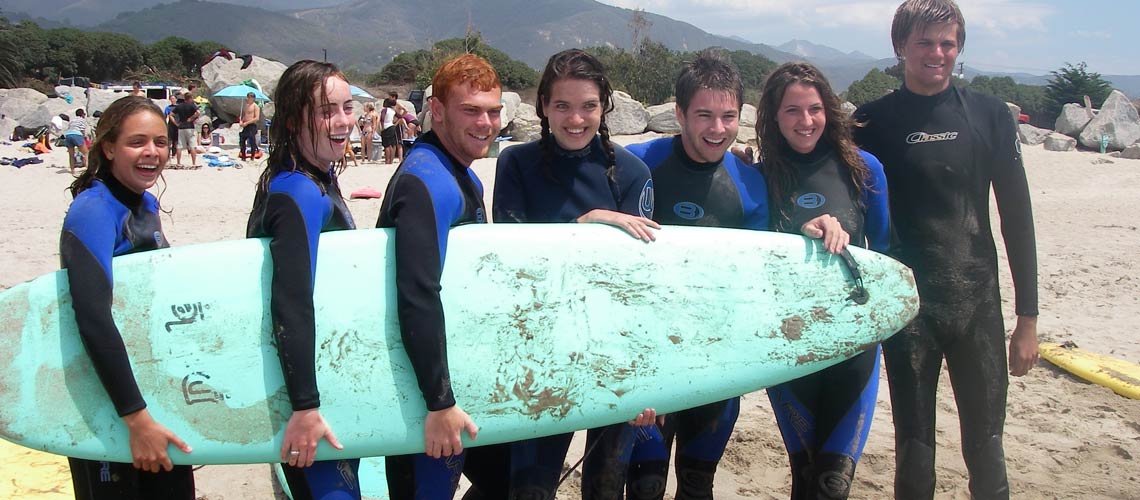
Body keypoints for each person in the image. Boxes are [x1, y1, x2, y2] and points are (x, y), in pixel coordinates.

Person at [852, 1, 1038, 498]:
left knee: (987, 448)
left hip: (977, 304)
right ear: (900, 46)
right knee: (914, 453)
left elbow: (1017, 217)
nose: (937, 53)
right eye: (925, 42)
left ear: (959, 47)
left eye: (947, 43)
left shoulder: (990, 116)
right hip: (910, 309)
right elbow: (826, 184)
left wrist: (1027, 319)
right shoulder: (871, 122)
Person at [493, 48, 660, 500]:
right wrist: (582, 226)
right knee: (529, 490)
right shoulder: (515, 164)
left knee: (605, 489)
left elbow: (641, 287)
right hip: (540, 352)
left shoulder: (632, 173)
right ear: (543, 106)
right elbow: (511, 260)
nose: (575, 119)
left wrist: (646, 378)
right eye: (562, 105)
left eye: (588, 106)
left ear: (604, 106)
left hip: (611, 353)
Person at [624, 49, 770, 500]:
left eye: (729, 116)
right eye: (704, 115)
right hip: (647, 357)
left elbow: (756, 280)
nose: (718, 129)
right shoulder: (636, 165)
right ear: (680, 113)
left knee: (696, 484)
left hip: (716, 360)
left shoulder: (751, 183)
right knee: (645, 487)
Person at [757, 62, 890, 499]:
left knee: (833, 484)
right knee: (806, 475)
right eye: (792, 110)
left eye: (814, 108)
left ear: (828, 110)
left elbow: (884, 255)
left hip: (854, 345)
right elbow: (754, 256)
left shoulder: (864, 169)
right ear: (774, 117)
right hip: (791, 348)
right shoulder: (761, 177)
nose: (806, 120)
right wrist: (801, 235)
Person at [375, 53, 505, 499]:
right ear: (437, 110)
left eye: (493, 111)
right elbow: (417, 293)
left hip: (458, 377)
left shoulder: (458, 173)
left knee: (508, 484)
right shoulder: (427, 181)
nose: (485, 123)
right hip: (426, 394)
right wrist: (439, 401)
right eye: (471, 110)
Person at [60, 95, 195, 499]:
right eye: (137, 142)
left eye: (160, 142)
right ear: (108, 148)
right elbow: (93, 319)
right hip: (109, 403)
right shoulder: (94, 210)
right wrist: (135, 419)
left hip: (151, 394)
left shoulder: (146, 203)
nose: (152, 152)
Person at [245, 59, 358, 499]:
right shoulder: (298, 191)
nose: (343, 121)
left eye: (347, 107)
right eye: (327, 111)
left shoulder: (317, 178)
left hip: (324, 381)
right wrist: (305, 407)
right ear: (293, 120)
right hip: (307, 396)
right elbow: (291, 301)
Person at [172, 91, 200, 167]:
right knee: (192, 145)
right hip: (190, 127)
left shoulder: (179, 106)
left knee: (179, 146)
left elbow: (171, 114)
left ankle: (178, 162)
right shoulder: (192, 105)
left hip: (181, 127)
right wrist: (191, 118)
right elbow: (198, 112)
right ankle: (193, 163)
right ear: (190, 98)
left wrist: (176, 123)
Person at [64, 108, 90, 175]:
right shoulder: (82, 120)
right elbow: (82, 130)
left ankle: (72, 171)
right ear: (82, 114)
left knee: (71, 155)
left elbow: (69, 128)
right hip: (77, 135)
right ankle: (88, 169)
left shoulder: (72, 120)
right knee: (86, 153)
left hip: (68, 135)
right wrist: (85, 138)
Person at [238, 91, 262, 161]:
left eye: (250, 97)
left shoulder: (255, 106)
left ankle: (253, 156)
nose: (248, 98)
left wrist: (247, 123)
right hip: (245, 125)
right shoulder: (246, 106)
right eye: (248, 97)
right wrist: (242, 121)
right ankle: (243, 155)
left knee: (252, 141)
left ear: (253, 98)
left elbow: (256, 118)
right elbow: (245, 116)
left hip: (252, 125)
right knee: (242, 139)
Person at [379, 97, 400, 164]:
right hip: (392, 127)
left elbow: (382, 119)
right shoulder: (393, 110)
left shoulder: (384, 110)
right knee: (391, 145)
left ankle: (387, 160)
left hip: (386, 127)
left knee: (386, 145)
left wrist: (382, 128)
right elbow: (400, 117)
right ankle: (391, 160)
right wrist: (395, 124)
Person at [164, 95, 180, 161]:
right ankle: (167, 155)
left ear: (176, 99)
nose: (172, 100)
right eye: (171, 99)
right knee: (169, 141)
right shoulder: (168, 107)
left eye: (173, 98)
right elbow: (165, 116)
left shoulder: (179, 107)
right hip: (170, 125)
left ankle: (174, 154)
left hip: (178, 125)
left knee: (176, 141)